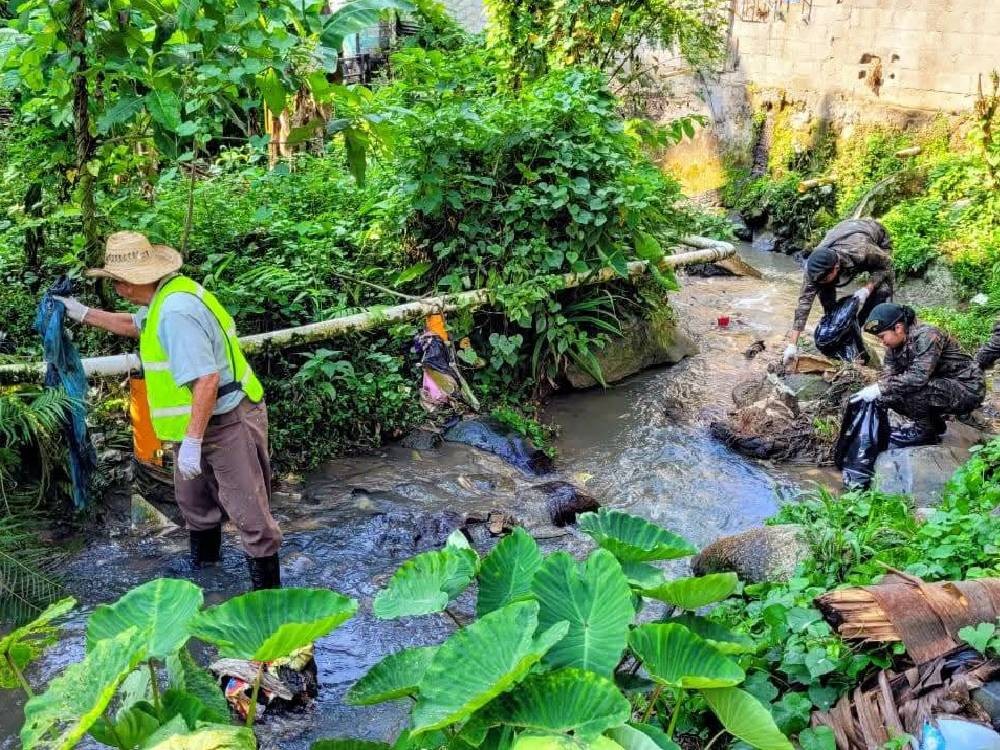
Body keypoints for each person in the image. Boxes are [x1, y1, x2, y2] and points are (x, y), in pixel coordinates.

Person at [55, 231, 283, 590]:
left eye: (115, 282)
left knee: (249, 514)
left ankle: (270, 604)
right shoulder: (164, 298)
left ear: (130, 283)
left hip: (226, 420)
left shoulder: (176, 311)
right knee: (195, 506)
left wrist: (192, 442)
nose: (114, 288)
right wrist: (81, 314)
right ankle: (207, 582)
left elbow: (206, 380)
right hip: (196, 424)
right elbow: (134, 324)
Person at [852, 303, 984, 447]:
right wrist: (876, 390)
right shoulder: (893, 349)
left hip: (967, 387)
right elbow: (888, 378)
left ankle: (924, 431)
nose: (882, 342)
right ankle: (933, 425)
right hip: (941, 386)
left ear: (898, 327)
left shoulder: (927, 335)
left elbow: (917, 378)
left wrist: (879, 388)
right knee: (887, 396)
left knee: (911, 388)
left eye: (883, 336)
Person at [784, 218, 895, 364]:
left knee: (882, 290)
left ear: (836, 268)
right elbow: (804, 305)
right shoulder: (814, 269)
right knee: (829, 302)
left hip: (874, 238)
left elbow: (886, 266)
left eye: (824, 279)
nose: (820, 283)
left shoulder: (861, 250)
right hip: (841, 236)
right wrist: (792, 344)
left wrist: (867, 289)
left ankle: (861, 329)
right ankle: (846, 334)